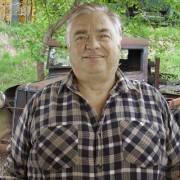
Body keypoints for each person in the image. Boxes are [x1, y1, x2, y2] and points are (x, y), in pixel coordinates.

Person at [3, 3, 180, 179]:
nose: (93, 44)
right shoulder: (38, 104)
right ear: (69, 47)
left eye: (103, 35)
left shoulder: (153, 101)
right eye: (80, 37)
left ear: (119, 45)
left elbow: (175, 171)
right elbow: (14, 173)